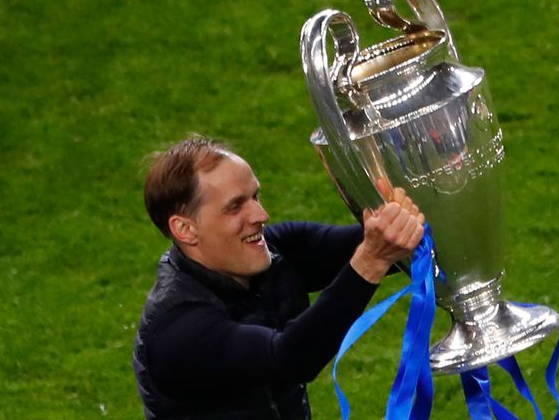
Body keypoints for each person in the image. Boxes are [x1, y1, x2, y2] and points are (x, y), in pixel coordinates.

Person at [133, 136, 425, 419]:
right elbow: (291, 358)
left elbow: (371, 243)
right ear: (185, 229)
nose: (261, 214)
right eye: (235, 207)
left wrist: (403, 212)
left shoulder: (273, 251)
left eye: (255, 196)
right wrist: (371, 260)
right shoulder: (178, 328)